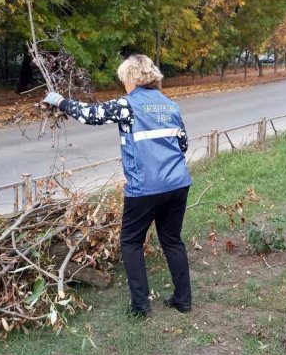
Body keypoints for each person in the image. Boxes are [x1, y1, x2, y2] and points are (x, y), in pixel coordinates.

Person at [43, 55, 192, 317]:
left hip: (145, 187)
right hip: (178, 184)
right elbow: (183, 144)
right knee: (172, 240)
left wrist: (59, 101)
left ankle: (140, 306)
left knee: (131, 242)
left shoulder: (128, 105)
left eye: (124, 78)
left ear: (132, 78)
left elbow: (90, 115)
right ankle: (183, 300)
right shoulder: (171, 106)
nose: (123, 84)